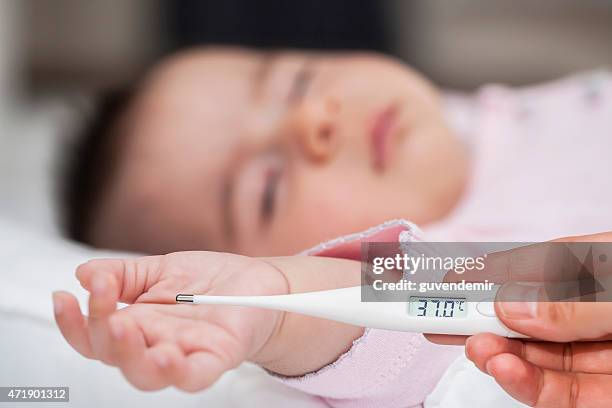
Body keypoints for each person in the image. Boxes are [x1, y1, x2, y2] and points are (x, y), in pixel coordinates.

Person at [57, 46, 612, 406]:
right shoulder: (453, 273)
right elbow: (373, 307)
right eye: (268, 192)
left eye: (298, 82)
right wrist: (272, 298)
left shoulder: (477, 115)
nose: (313, 119)